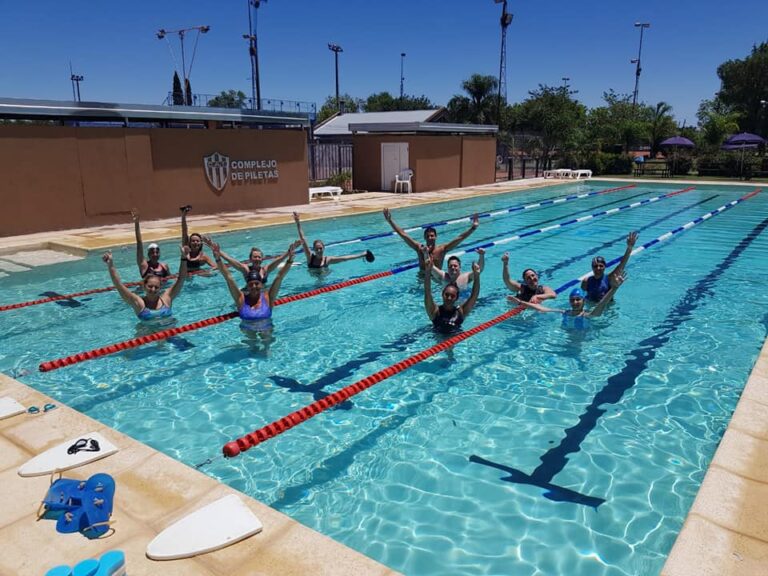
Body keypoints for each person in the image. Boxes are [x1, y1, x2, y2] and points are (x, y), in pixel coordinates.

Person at [205, 236, 294, 341]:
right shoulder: (241, 297)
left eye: (257, 283)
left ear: (261, 284)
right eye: (251, 284)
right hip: (247, 329)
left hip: (266, 328)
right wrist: (217, 258)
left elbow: (279, 277)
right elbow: (228, 277)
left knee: (266, 345)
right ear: (247, 284)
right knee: (252, 348)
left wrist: (290, 259)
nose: (254, 286)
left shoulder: (267, 296)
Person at [102, 245, 188, 322]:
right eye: (150, 286)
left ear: (160, 287)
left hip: (168, 333)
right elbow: (119, 285)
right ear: (144, 286)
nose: (153, 289)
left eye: (156, 287)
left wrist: (184, 258)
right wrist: (110, 265)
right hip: (146, 336)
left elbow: (181, 279)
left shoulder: (166, 298)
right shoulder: (139, 303)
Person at [510, 274, 625, 330]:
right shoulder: (564, 312)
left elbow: (602, 304)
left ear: (583, 301)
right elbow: (542, 308)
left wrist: (614, 288)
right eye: (572, 300)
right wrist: (521, 302)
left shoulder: (588, 315)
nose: (575, 302)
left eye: (577, 299)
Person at [383, 208, 479, 272]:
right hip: (422, 280)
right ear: (424, 238)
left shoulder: (442, 249)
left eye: (432, 236)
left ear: (436, 237)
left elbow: (459, 238)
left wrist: (473, 228)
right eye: (428, 236)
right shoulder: (419, 248)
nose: (430, 238)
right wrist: (390, 221)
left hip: (436, 281)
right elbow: (403, 234)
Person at [423, 247, 481, 335]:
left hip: (457, 343)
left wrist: (476, 275)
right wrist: (427, 271)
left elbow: (474, 295)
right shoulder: (435, 311)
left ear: (456, 298)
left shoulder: (461, 311)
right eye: (447, 295)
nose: (449, 298)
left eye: (452, 296)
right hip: (438, 344)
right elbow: (427, 292)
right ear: (442, 295)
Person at [293, 212, 374, 272]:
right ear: (313, 249)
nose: (319, 250)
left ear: (324, 248)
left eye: (320, 248)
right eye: (317, 249)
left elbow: (345, 258)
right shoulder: (310, 257)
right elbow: (303, 239)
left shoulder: (327, 260)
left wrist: (363, 254)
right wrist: (298, 223)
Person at [581, 231, 638, 303]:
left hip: (607, 308)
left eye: (601, 266)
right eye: (595, 266)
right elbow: (581, 299)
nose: (598, 268)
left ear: (605, 267)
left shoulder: (609, 278)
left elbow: (622, 265)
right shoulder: (586, 281)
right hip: (591, 308)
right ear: (592, 267)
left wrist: (629, 248)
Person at [215, 240, 301, 282]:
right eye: (255, 257)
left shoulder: (265, 270)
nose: (257, 259)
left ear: (262, 259)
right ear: (250, 259)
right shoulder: (246, 270)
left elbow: (279, 260)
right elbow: (231, 261)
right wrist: (218, 252)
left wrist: (290, 250)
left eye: (259, 257)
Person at [131, 209, 170, 279]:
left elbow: (171, 281)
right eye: (152, 252)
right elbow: (139, 243)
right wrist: (136, 223)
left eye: (157, 252)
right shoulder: (144, 266)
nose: (155, 254)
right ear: (148, 254)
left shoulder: (165, 266)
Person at [180, 205, 217, 272]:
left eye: (197, 241)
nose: (195, 242)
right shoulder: (186, 250)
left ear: (201, 243)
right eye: (193, 241)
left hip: (197, 276)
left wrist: (206, 272)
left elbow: (215, 267)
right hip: (184, 276)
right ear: (189, 243)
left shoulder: (203, 257)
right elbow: (184, 230)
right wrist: (183, 215)